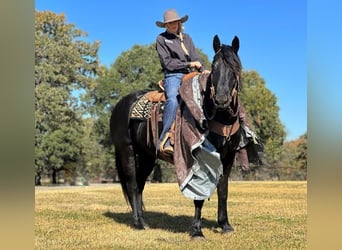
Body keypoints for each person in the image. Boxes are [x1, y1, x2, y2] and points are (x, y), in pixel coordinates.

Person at [155, 9, 204, 154]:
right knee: (173, 100)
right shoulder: (161, 39)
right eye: (170, 23)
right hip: (173, 76)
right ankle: (165, 139)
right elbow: (167, 63)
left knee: (210, 96)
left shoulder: (187, 38)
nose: (173, 25)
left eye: (175, 22)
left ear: (179, 22)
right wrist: (189, 65)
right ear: (166, 25)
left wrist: (204, 70)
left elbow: (196, 57)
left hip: (191, 75)